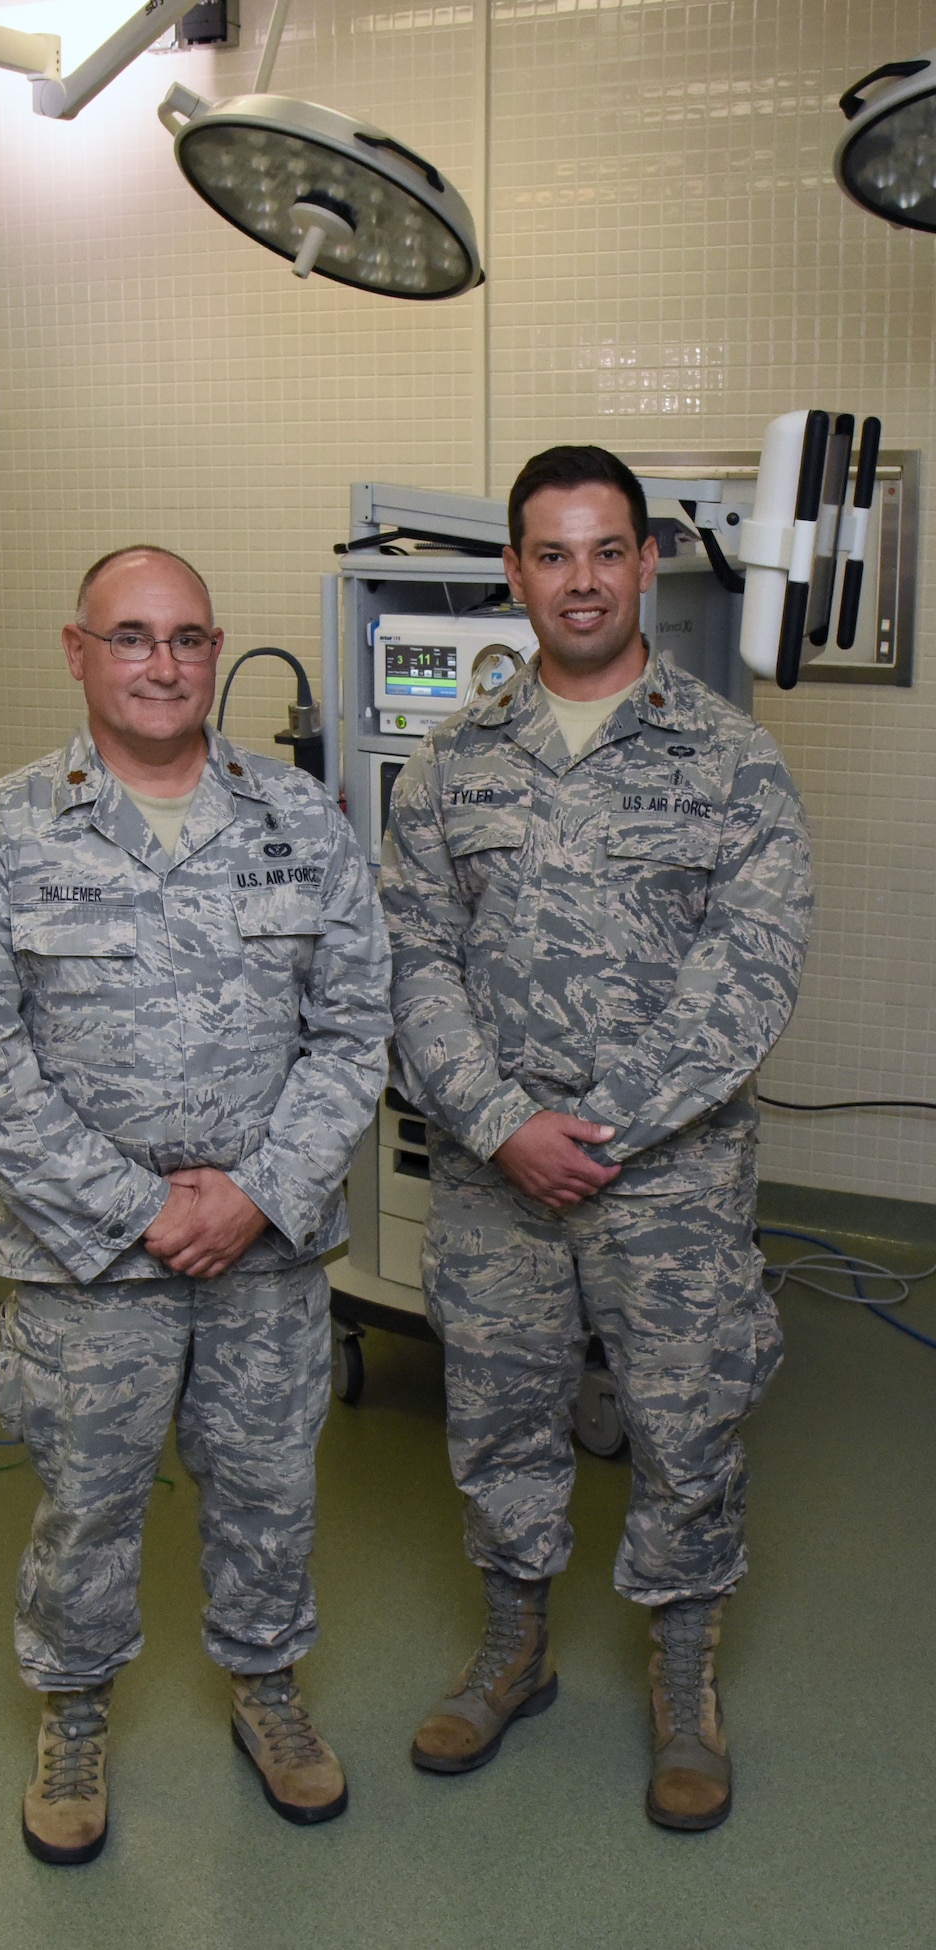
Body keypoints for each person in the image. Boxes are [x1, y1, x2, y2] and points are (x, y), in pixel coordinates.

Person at [0, 545, 389, 1864]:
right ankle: (73, 1717)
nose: (161, 663)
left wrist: (258, 1194)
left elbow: (357, 1028)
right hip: (89, 1270)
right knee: (86, 1501)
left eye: (184, 638)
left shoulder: (301, 821)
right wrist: (137, 1207)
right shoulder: (2, 835)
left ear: (217, 650)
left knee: (269, 1487)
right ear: (78, 651)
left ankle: (268, 1689)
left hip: (264, 1255)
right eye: (130, 637)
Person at [380, 446, 811, 1831]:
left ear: (647, 563)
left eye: (606, 549)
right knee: (499, 1419)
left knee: (689, 1426)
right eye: (552, 553)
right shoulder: (450, 765)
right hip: (495, 1179)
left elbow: (752, 970)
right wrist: (507, 1126)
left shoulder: (734, 764)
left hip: (668, 1180)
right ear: (514, 571)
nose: (580, 579)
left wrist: (602, 1129)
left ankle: (686, 1682)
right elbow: (409, 963)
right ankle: (516, 1648)